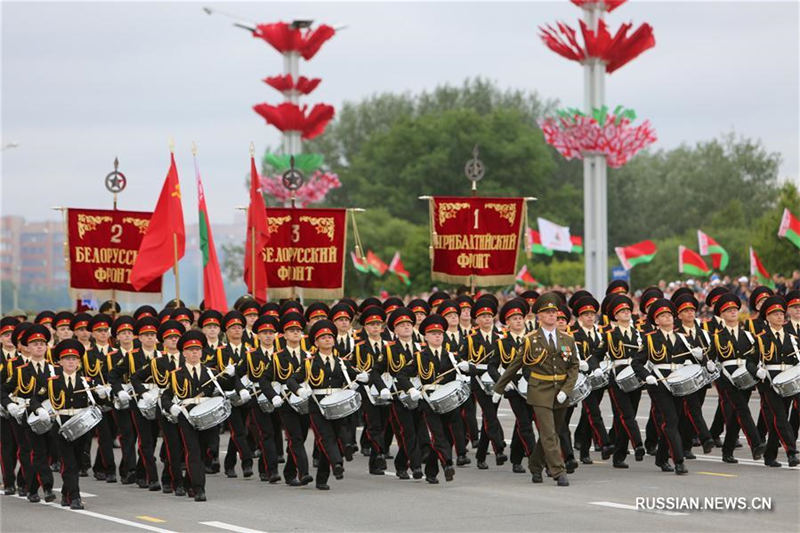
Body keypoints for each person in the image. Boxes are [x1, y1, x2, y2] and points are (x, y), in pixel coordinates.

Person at [494, 292, 579, 486]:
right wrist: (499, 388)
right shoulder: (530, 339)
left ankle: (535, 464)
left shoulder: (567, 339)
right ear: (539, 316)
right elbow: (515, 365)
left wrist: (566, 390)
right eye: (547, 312)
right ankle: (558, 471)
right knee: (548, 433)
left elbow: (574, 366)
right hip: (540, 390)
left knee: (552, 432)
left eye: (554, 312)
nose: (552, 315)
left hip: (561, 391)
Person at [160, 329, 241, 501]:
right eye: (190, 350)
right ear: (184, 353)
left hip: (207, 417)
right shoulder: (176, 375)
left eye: (197, 349)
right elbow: (165, 396)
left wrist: (232, 375)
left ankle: (189, 482)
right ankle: (199, 489)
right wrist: (171, 407)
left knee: (207, 451)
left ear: (201, 352)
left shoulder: (211, 372)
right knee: (193, 451)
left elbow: (226, 386)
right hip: (187, 416)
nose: (194, 353)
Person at [287, 319, 361, 490]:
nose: (327, 339)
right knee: (326, 437)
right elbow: (291, 380)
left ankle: (322, 478)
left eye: (330, 337)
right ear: (316, 343)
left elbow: (357, 376)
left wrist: (364, 378)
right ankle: (337, 464)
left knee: (334, 438)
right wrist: (299, 390)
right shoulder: (309, 363)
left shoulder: (342, 362)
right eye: (323, 337)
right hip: (318, 406)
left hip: (338, 404)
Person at [632, 299, 691, 475]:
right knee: (671, 420)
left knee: (674, 421)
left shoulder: (682, 338)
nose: (667, 318)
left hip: (678, 383)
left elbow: (694, 360)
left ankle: (661, 457)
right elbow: (637, 363)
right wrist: (646, 376)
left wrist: (699, 359)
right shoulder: (650, 338)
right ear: (656, 320)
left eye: (669, 315)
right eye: (662, 315)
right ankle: (679, 460)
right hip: (659, 384)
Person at [708, 293, 766, 463]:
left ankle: (727, 450)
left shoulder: (748, 335)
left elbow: (756, 357)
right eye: (728, 310)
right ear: (722, 314)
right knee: (742, 409)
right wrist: (708, 363)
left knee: (735, 415)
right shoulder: (717, 337)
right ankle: (756, 443)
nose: (733, 312)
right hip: (727, 379)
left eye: (734, 309)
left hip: (746, 377)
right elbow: (710, 358)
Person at [416, 314, 474, 484]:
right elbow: (403, 375)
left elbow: (471, 370)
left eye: (440, 334)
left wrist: (468, 367)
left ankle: (431, 471)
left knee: (448, 436)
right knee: (438, 435)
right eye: (433, 334)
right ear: (426, 337)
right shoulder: (419, 356)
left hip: (450, 402)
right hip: (430, 402)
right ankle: (447, 464)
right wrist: (411, 389)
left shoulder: (451, 356)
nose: (437, 336)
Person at [751, 295, 799, 467]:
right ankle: (791, 452)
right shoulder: (761, 338)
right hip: (770, 383)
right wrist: (757, 371)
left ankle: (769, 456)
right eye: (775, 314)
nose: (779, 317)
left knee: (779, 420)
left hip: (789, 383)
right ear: (768, 317)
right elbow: (750, 362)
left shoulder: (792, 339)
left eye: (781, 314)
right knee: (780, 417)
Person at [47, 339, 94, 509]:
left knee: (78, 462)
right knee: (69, 463)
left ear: (79, 362)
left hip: (82, 426)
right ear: (60, 362)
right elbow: (37, 399)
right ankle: (75, 497)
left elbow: (98, 402)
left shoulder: (86, 381)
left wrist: (105, 394)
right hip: (62, 425)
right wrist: (40, 410)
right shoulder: (52, 382)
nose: (71, 362)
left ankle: (66, 493)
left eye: (74, 359)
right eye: (67, 359)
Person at [493, 298, 536, 473]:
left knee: (524, 421)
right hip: (513, 386)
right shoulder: (502, 342)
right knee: (525, 423)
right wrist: (503, 382)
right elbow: (492, 366)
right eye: (514, 319)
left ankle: (516, 459)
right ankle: (536, 459)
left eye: (520, 318)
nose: (518, 321)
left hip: (532, 384)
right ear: (508, 323)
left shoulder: (534, 338)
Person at [604, 294, 647, 468]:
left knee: (627, 417)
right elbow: (597, 355)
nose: (626, 313)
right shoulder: (609, 335)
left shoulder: (639, 334)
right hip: (617, 378)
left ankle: (618, 455)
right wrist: (595, 366)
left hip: (635, 376)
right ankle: (638, 445)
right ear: (615, 316)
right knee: (626, 415)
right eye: (622, 311)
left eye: (628, 310)